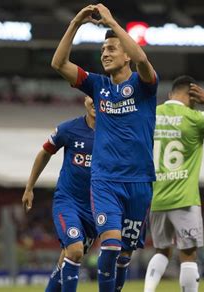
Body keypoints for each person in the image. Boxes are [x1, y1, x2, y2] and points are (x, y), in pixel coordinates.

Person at [51, 4, 158, 291]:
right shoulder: (97, 86)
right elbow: (59, 64)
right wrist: (75, 23)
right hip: (105, 182)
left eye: (112, 49)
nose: (106, 54)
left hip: (139, 182)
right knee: (109, 249)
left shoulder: (144, 86)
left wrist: (111, 21)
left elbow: (144, 60)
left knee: (124, 255)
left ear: (126, 54)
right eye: (102, 51)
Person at [143, 76, 204, 292]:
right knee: (188, 255)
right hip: (184, 199)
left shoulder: (151, 114)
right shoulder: (195, 117)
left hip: (157, 197)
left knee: (161, 251)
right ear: (194, 97)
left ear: (170, 94)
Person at [22, 96, 96, 292]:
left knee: (67, 258)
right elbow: (44, 153)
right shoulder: (69, 129)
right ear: (85, 100)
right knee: (75, 251)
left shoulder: (113, 133)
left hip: (96, 208)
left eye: (100, 98)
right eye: (92, 97)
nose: (96, 102)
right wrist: (29, 187)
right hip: (68, 202)